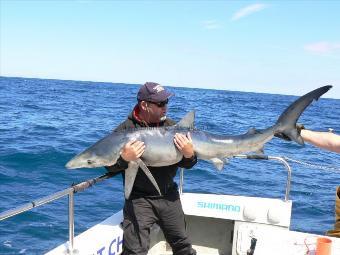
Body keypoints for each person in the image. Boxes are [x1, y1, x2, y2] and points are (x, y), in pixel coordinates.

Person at [105, 82, 197, 255]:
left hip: (169, 196)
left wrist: (189, 155)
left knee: (183, 246)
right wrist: (125, 159)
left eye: (167, 102)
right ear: (144, 105)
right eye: (161, 104)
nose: (165, 108)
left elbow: (189, 164)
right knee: (135, 251)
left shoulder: (173, 128)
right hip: (139, 200)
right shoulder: (124, 130)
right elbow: (108, 167)